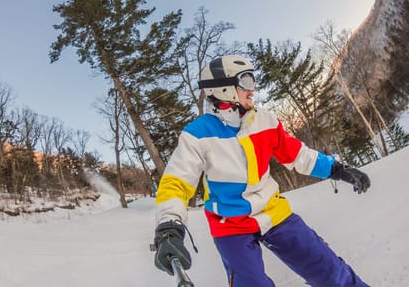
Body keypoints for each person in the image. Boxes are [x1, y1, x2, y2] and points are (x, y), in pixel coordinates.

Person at [152, 55, 371, 286]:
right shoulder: (197, 134)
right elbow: (176, 182)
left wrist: (337, 169)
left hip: (274, 211)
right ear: (224, 89)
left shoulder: (265, 120)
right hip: (231, 224)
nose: (253, 89)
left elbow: (296, 154)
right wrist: (169, 227)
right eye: (246, 81)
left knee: (328, 269)